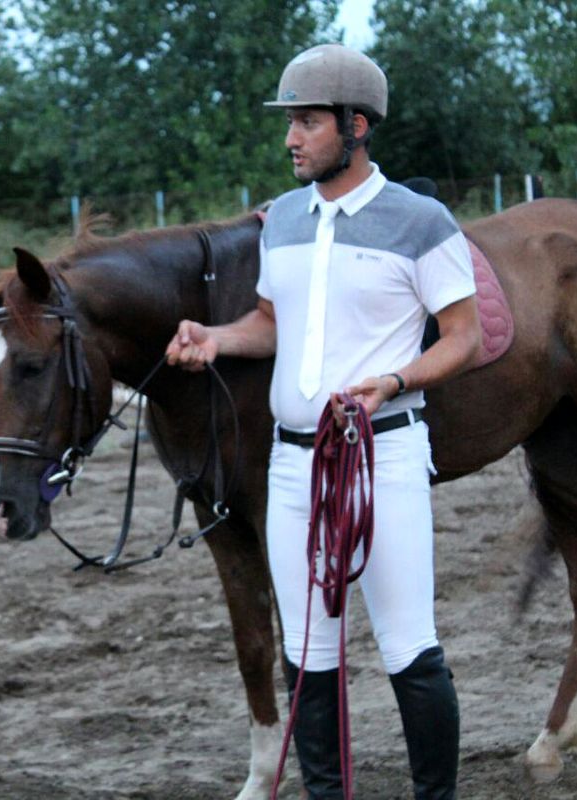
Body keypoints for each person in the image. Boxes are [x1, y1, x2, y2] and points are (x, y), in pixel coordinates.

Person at [165, 44, 480, 800]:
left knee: (409, 650)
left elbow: (465, 336)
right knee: (309, 655)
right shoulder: (283, 224)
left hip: (383, 459)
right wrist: (217, 340)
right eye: (291, 124)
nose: (290, 139)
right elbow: (275, 321)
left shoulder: (421, 221)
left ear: (356, 125)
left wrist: (397, 380)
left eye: (307, 122)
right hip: (292, 466)